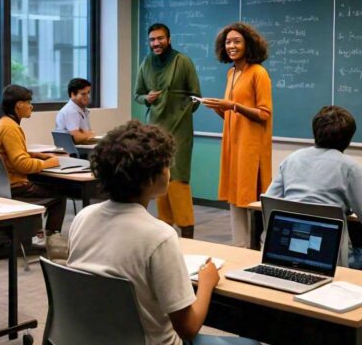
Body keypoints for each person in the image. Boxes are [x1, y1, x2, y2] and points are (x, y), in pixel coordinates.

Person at [68, 120, 258, 345]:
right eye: (166, 165)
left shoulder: (83, 217)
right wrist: (207, 283)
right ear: (150, 178)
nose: (169, 172)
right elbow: (188, 328)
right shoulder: (159, 236)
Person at [265, 105, 362, 277]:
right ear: (349, 138)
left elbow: (269, 204)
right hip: (331, 258)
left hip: (287, 251)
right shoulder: (350, 168)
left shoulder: (291, 159)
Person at [202, 23, 272, 248]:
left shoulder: (258, 73)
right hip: (233, 145)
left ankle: (253, 250)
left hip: (251, 149)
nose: (231, 45)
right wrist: (219, 108)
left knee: (249, 200)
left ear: (248, 44)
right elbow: (234, 115)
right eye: (228, 42)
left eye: (236, 41)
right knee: (235, 200)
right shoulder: (232, 72)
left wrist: (233, 106)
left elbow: (264, 114)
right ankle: (239, 248)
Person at [134, 23, 201, 239]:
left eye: (160, 38)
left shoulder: (183, 61)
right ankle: (165, 232)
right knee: (159, 176)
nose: (156, 43)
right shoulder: (146, 63)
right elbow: (138, 94)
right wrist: (147, 99)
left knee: (178, 178)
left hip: (180, 129)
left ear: (169, 39)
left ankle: (187, 232)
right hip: (155, 131)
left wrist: (180, 110)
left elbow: (196, 97)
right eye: (152, 39)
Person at [0, 84, 67, 247]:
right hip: (15, 187)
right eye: (29, 102)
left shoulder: (2, 122)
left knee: (47, 186)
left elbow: (13, 156)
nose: (31, 106)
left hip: (2, 187)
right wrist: (48, 163)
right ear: (19, 104)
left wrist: (35, 155)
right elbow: (22, 165)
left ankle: (36, 236)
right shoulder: (10, 127)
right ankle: (51, 243)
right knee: (60, 197)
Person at [55, 78, 96, 144]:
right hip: (75, 153)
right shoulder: (71, 111)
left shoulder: (82, 110)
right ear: (73, 95)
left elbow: (85, 135)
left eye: (88, 93)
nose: (88, 96)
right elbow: (76, 137)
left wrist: (85, 134)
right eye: (83, 94)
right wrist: (89, 135)